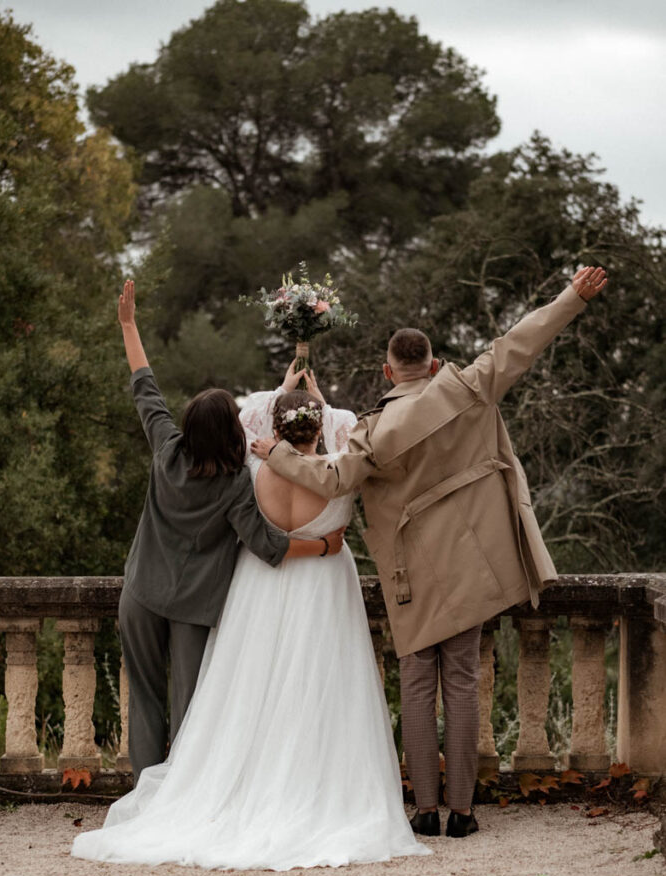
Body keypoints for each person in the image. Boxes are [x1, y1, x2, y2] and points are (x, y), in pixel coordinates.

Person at [252, 266, 608, 838]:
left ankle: (423, 812)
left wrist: (275, 454)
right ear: (435, 365)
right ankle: (463, 814)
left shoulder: (376, 430)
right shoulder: (468, 387)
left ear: (387, 371)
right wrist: (573, 295)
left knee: (418, 687)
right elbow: (524, 338)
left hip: (409, 575)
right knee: (463, 683)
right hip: (473, 567)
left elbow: (333, 479)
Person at [72, 358, 429, 870]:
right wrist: (328, 546)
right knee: (294, 694)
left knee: (226, 702)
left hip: (197, 594)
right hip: (314, 597)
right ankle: (301, 784)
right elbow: (347, 449)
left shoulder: (241, 471)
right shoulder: (325, 477)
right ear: (316, 426)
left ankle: (163, 791)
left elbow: (167, 405)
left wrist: (282, 398)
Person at [113, 281, 345, 783]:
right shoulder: (236, 483)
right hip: (194, 610)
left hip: (140, 594)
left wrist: (129, 325)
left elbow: (144, 387)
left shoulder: (166, 452)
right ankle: (182, 791)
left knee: (144, 698)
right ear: (232, 436)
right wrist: (324, 544)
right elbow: (269, 547)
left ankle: (146, 793)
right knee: (192, 705)